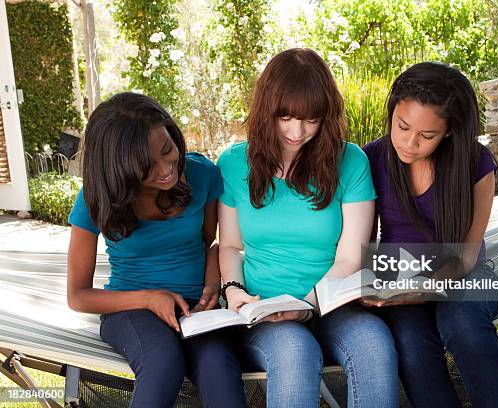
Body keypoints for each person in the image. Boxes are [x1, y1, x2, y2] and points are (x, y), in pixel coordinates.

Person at [217, 48, 399, 408]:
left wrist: (307, 304)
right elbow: (231, 246)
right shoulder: (235, 163)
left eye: (310, 120)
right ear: (267, 109)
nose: (296, 132)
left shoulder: (351, 162)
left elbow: (350, 257)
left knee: (374, 345)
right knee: (295, 353)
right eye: (284, 117)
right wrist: (235, 291)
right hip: (264, 309)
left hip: (335, 303)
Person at [66, 92, 246, 408]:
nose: (166, 169)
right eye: (147, 167)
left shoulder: (201, 174)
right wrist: (150, 298)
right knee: (162, 360)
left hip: (197, 311)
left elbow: (210, 245)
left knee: (218, 364)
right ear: (118, 169)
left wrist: (212, 288)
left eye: (168, 150)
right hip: (130, 309)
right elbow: (78, 296)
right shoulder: (96, 198)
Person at [362, 62, 498, 408]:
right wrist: (374, 287)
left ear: (449, 131)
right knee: (413, 346)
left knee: (462, 323)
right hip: (398, 279)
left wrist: (425, 289)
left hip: (466, 273)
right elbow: (366, 246)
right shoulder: (372, 158)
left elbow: (466, 255)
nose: (409, 142)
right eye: (402, 126)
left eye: (426, 135)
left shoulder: (476, 163)